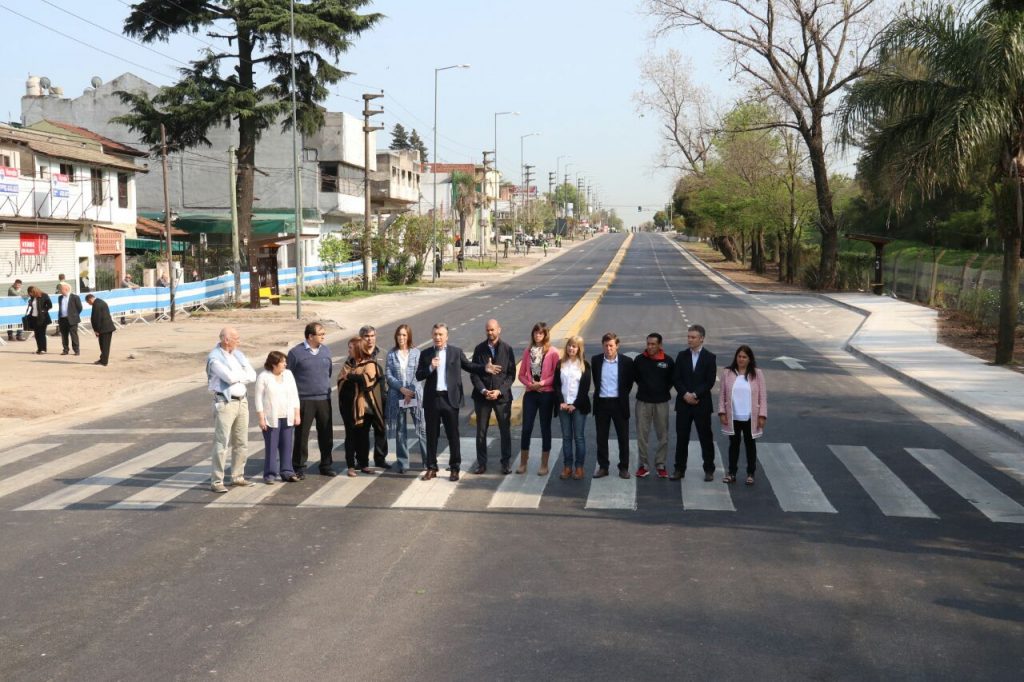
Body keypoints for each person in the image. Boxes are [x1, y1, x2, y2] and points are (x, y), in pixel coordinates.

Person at [414, 322, 493, 482]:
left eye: (441, 334)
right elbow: (419, 375)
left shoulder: (455, 352)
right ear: (432, 335)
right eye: (435, 334)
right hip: (432, 399)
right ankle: (431, 467)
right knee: (431, 435)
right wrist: (430, 367)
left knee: (453, 435)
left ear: (446, 336)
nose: (437, 337)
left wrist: (484, 368)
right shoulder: (426, 354)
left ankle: (455, 468)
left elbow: (469, 366)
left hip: (450, 400)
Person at [206, 326, 258, 493]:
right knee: (222, 443)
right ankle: (217, 481)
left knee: (241, 442)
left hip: (242, 402)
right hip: (225, 403)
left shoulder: (238, 354)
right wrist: (240, 376)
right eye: (236, 337)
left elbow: (253, 375)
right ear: (225, 339)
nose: (239, 340)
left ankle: (238, 476)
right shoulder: (214, 358)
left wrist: (239, 377)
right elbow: (229, 378)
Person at [469, 319, 517, 475]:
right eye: (487, 330)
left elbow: (511, 375)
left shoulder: (508, 349)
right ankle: (481, 464)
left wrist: (499, 391)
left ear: (499, 330)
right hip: (482, 398)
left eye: (492, 330)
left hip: (501, 398)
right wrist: (483, 390)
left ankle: (505, 463)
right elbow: (474, 373)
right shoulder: (479, 349)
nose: (490, 333)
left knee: (505, 431)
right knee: (481, 432)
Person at [287, 322, 335, 478]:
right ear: (310, 336)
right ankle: (299, 466)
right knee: (302, 435)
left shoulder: (326, 351)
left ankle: (326, 465)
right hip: (304, 400)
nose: (323, 336)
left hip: (323, 398)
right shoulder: (295, 353)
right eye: (320, 333)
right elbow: (289, 376)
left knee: (326, 434)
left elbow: (328, 372)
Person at [671, 324, 718, 482]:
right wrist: (685, 394)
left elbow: (709, 381)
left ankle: (709, 469)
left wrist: (696, 394)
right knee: (682, 438)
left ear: (701, 338)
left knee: (705, 438)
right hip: (683, 404)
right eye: (688, 337)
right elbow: (676, 378)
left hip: (701, 404)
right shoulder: (681, 355)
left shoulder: (710, 358)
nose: (689, 340)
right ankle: (679, 469)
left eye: (693, 337)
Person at [718, 345, 767, 486]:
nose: (741, 359)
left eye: (744, 357)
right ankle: (732, 473)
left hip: (750, 416)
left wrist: (762, 415)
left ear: (749, 359)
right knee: (733, 445)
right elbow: (722, 395)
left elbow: (762, 396)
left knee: (750, 445)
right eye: (739, 356)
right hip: (733, 416)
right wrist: (722, 412)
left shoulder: (757, 374)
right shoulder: (727, 373)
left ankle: (750, 473)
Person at [516, 322, 561, 475]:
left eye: (540, 333)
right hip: (530, 394)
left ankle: (544, 464)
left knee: (545, 428)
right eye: (535, 333)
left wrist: (542, 383)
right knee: (526, 427)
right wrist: (530, 384)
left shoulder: (553, 352)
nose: (537, 336)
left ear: (545, 335)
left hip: (546, 394)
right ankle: (523, 462)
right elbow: (521, 374)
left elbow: (556, 375)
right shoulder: (528, 351)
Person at [338, 336, 385, 476]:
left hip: (367, 408)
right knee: (350, 436)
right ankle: (351, 466)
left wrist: (350, 377)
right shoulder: (348, 363)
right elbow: (341, 380)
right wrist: (351, 379)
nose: (348, 350)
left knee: (363, 437)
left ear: (358, 349)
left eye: (351, 348)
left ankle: (364, 464)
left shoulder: (370, 363)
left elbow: (367, 382)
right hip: (349, 407)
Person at [591, 332, 635, 479]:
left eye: (611, 345)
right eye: (606, 345)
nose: (608, 348)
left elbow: (628, 384)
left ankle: (623, 467)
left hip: (619, 403)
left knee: (623, 437)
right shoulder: (596, 360)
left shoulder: (627, 362)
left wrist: (620, 395)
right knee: (601, 437)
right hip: (602, 403)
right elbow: (596, 381)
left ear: (617, 346)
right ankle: (603, 467)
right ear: (602, 346)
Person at [255, 350, 301, 484]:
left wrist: (297, 414)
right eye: (283, 362)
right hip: (271, 418)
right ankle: (270, 474)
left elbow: (294, 395)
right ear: (274, 364)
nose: (285, 364)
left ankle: (287, 472)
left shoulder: (288, 374)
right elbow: (258, 399)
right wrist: (261, 418)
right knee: (271, 447)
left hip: (287, 416)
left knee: (287, 446)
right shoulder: (264, 376)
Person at [633, 332, 675, 479]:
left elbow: (671, 380)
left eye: (653, 344)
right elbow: (637, 378)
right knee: (642, 435)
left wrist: (660, 391)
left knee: (663, 435)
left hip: (661, 403)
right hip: (643, 402)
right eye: (648, 344)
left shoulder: (668, 361)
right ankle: (643, 465)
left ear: (660, 345)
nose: (650, 347)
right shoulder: (639, 360)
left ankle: (660, 464)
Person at [385, 324, 426, 474]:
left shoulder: (416, 353)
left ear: (408, 336)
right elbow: (388, 376)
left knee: (421, 429)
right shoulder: (391, 354)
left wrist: (411, 391)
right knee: (400, 431)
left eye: (404, 335)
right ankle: (403, 463)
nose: (401, 338)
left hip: (415, 395)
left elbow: (419, 374)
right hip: (397, 395)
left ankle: (427, 463)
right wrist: (401, 389)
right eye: (399, 335)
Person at [553, 335, 592, 480]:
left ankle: (579, 468)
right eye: (569, 345)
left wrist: (574, 405)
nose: (571, 348)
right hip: (563, 406)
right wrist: (562, 402)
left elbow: (585, 388)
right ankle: (567, 467)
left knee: (579, 437)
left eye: (574, 346)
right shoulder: (560, 364)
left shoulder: (585, 366)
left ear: (579, 349)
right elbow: (556, 385)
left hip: (579, 407)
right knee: (566, 437)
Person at [359, 325, 391, 469]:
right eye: (367, 336)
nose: (370, 339)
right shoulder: (356, 356)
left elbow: (389, 376)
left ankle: (380, 459)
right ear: (361, 338)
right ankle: (361, 460)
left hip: (380, 399)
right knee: (361, 432)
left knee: (381, 430)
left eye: (372, 336)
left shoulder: (383, 355)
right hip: (363, 400)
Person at [85, 294, 115, 365]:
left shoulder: (96, 304)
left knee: (104, 345)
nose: (89, 304)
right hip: (106, 327)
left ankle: (104, 361)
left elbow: (96, 318)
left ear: (90, 299)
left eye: (88, 302)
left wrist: (97, 330)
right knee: (104, 345)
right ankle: (102, 359)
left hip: (104, 328)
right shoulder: (100, 301)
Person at [56, 282, 82, 357]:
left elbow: (79, 308)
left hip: (72, 319)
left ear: (66, 289)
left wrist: (74, 315)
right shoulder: (60, 298)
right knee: (64, 335)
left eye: (61, 289)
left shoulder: (75, 297)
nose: (60, 291)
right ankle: (65, 350)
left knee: (73, 335)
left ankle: (76, 350)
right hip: (62, 319)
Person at [25, 286, 53, 355]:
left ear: (34, 291)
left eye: (30, 293)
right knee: (37, 335)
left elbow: (50, 305)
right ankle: (39, 349)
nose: (30, 294)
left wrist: (44, 310)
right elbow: (33, 307)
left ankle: (43, 349)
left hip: (42, 318)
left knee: (42, 334)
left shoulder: (44, 295)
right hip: (34, 317)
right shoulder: (32, 297)